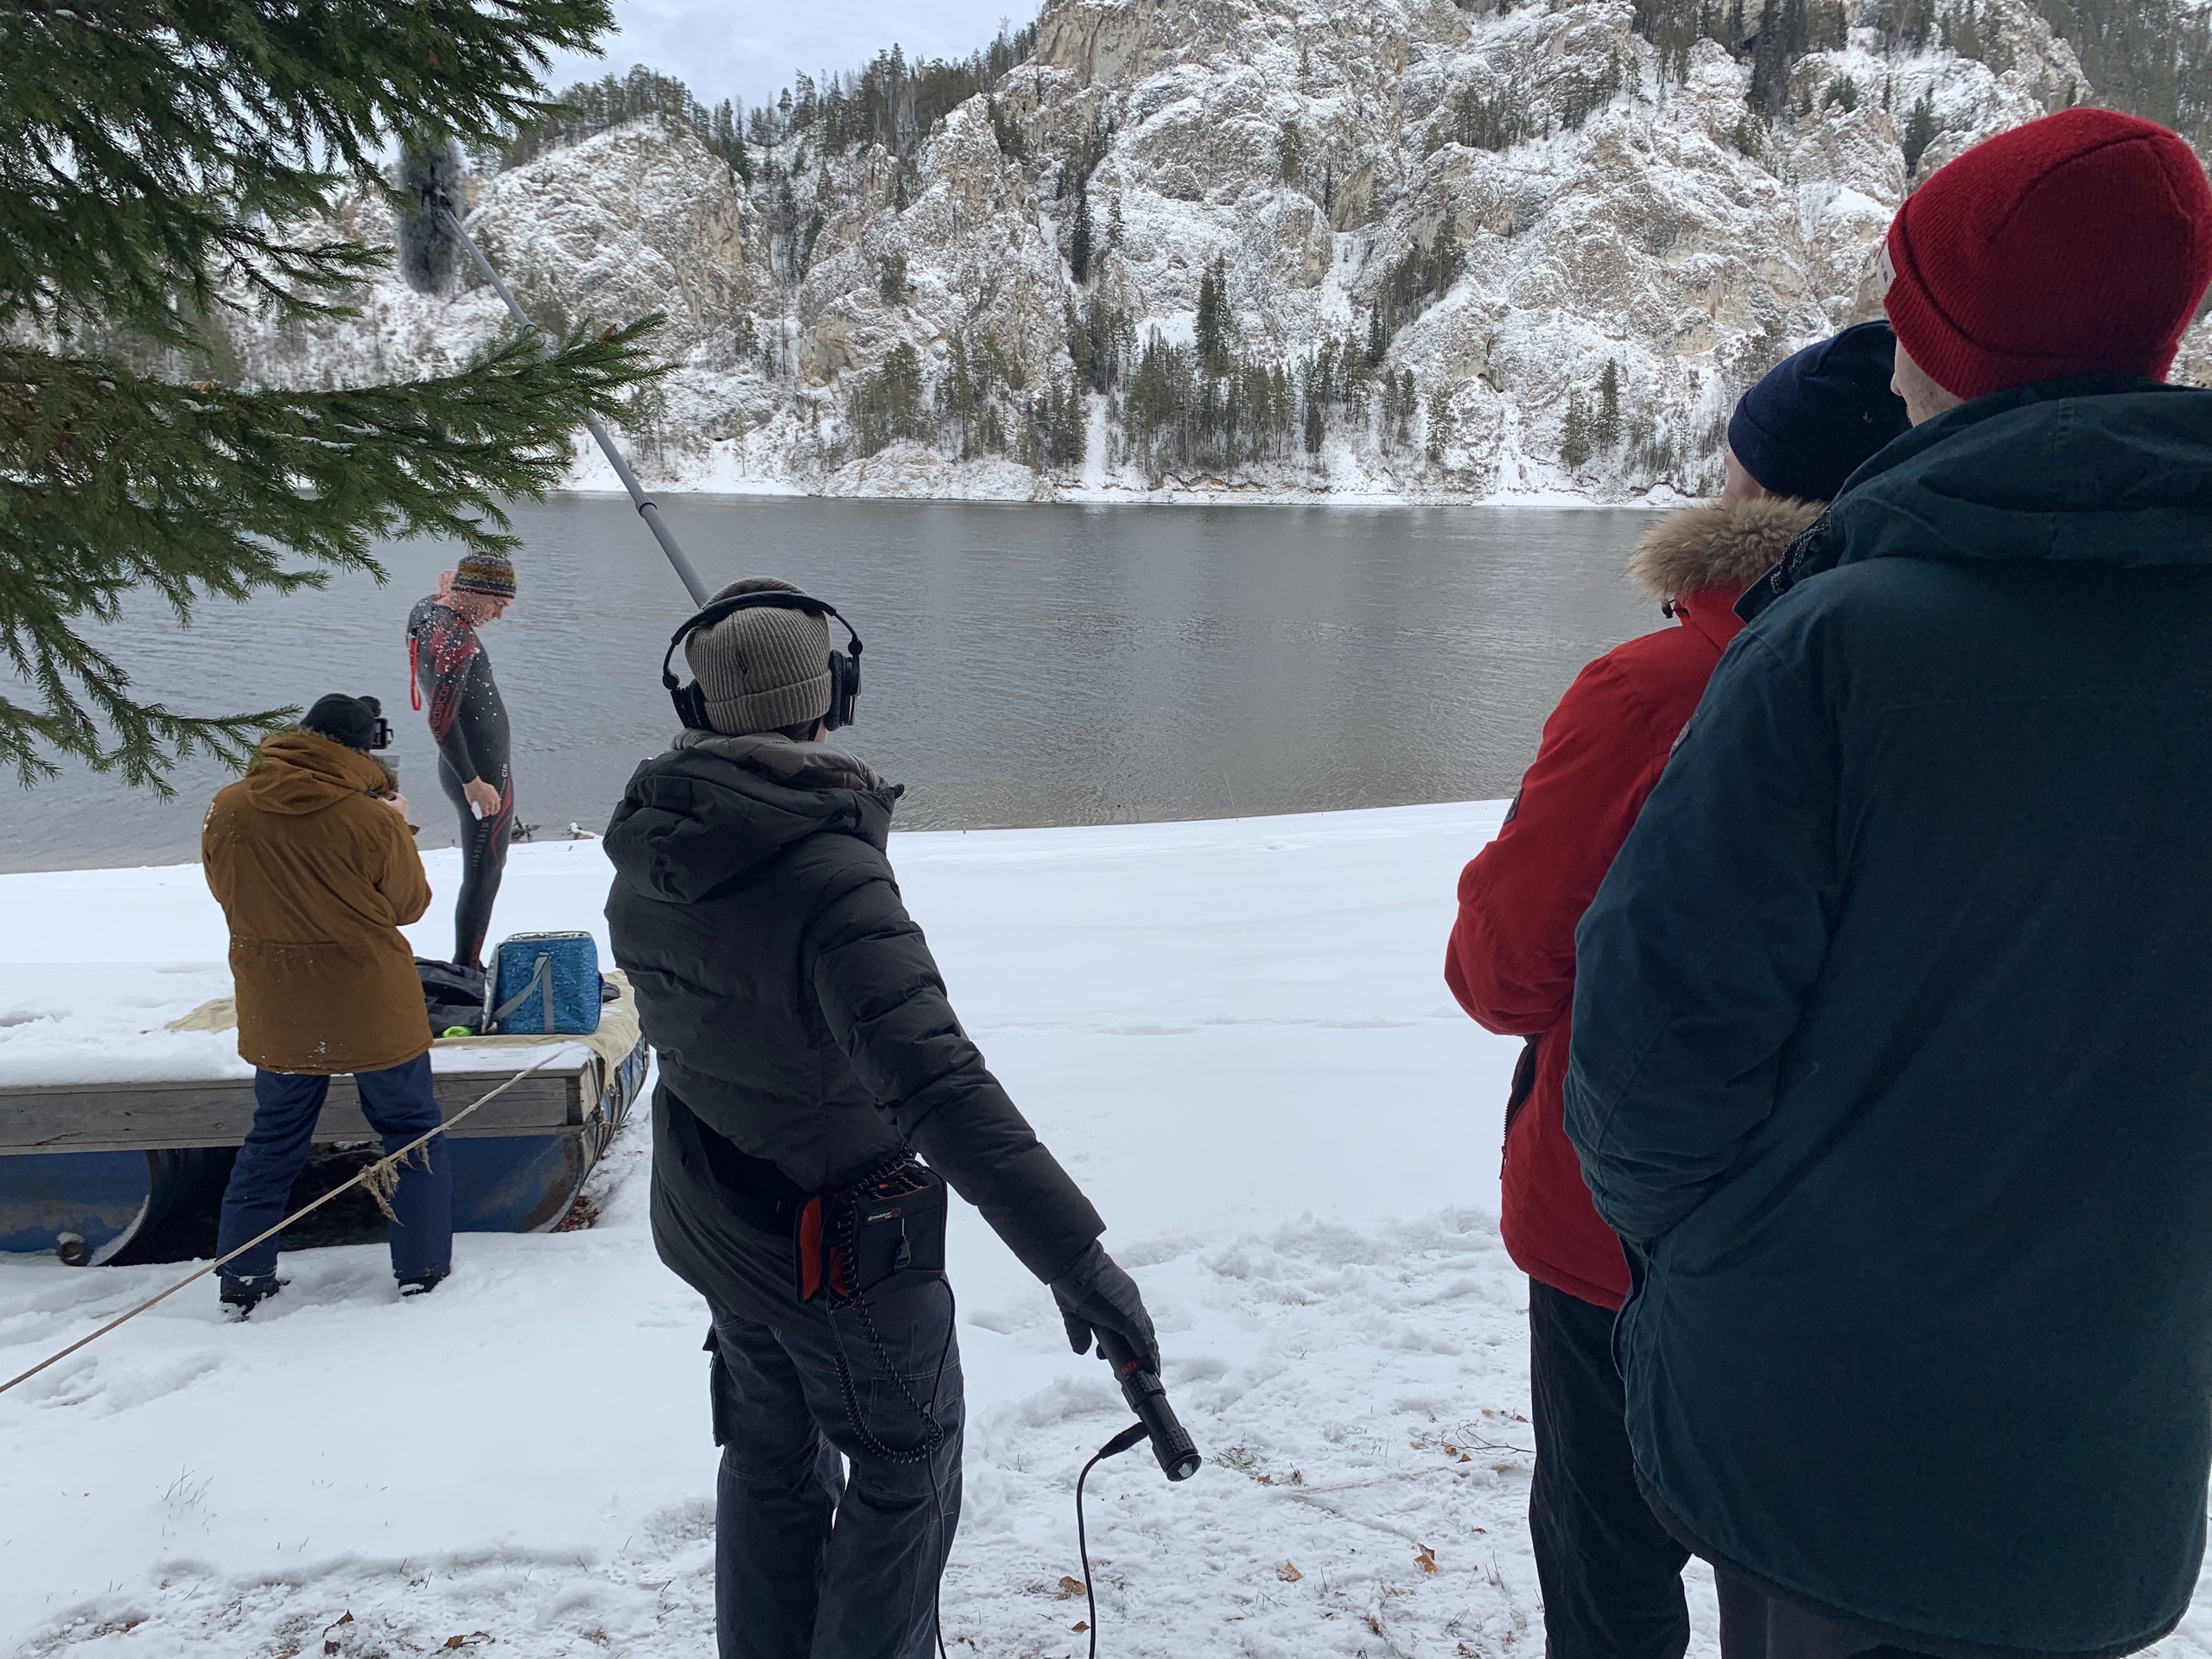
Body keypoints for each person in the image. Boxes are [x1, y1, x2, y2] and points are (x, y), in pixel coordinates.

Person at [1564, 107, 2212, 1659]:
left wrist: (1711, 1262)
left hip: (1825, 1433)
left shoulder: (1839, 647)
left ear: (1950, 353)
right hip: (2106, 1431)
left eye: (1911, 317)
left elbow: (1648, 1068)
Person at [1445, 325, 1908, 1656]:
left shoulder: (1659, 686)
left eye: (1733, 463)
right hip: (1852, 1235)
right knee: (1788, 1570)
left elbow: (1501, 967)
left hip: (1622, 1232)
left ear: (1760, 496)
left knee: (1611, 1558)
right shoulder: (1962, 673)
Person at [602, 578, 1161, 1659]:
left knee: (768, 1460)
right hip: (838, 1254)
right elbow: (939, 1084)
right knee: (905, 1472)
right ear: (835, 696)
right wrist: (1076, 1257)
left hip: (724, 1229)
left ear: (697, 711)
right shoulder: (830, 877)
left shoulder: (653, 846)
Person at [201, 693, 455, 1313]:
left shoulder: (229, 807)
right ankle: (421, 1269)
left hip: (277, 997)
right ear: (365, 749)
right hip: (371, 998)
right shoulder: (369, 820)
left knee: (275, 1137)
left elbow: (222, 887)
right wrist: (396, 823)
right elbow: (408, 906)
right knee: (408, 1133)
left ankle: (243, 1277)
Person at [408, 550, 517, 969]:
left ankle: (467, 964)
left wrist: (450, 589)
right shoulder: (456, 640)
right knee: (485, 870)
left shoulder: (427, 612)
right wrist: (473, 780)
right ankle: (467, 967)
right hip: (480, 770)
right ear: (472, 594)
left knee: (487, 866)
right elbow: (441, 717)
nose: (498, 616)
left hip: (474, 766)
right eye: (497, 605)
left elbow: (436, 598)